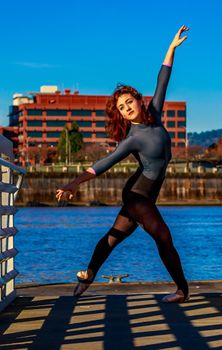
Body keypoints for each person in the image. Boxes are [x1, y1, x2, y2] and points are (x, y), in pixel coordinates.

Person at [56, 25, 190, 303]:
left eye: (129, 102)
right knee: (163, 237)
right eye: (122, 107)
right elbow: (103, 163)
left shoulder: (155, 113)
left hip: (142, 194)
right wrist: (74, 183)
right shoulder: (131, 139)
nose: (127, 108)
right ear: (121, 114)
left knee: (114, 237)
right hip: (138, 195)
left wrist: (171, 48)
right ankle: (182, 290)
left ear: (139, 101)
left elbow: (162, 80)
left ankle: (88, 276)